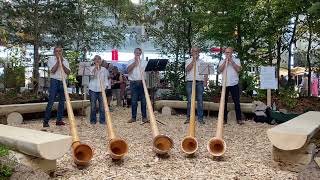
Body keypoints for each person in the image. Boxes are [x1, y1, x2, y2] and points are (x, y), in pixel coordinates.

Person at [43, 46, 71, 128]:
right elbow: (53, 70)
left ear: (62, 52)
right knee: (51, 101)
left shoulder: (65, 60)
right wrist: (58, 62)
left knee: (62, 102)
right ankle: (45, 121)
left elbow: (68, 72)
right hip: (54, 81)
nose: (58, 53)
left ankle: (59, 120)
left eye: (60, 51)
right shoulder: (51, 60)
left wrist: (62, 63)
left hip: (63, 81)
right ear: (54, 52)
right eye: (56, 51)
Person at [218, 47, 244, 125]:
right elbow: (219, 70)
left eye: (228, 52)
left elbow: (239, 70)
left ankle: (239, 119)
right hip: (224, 84)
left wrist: (231, 61)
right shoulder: (222, 61)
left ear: (232, 53)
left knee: (236, 102)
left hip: (234, 84)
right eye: (226, 53)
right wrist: (225, 62)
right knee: (223, 102)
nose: (227, 54)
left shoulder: (237, 60)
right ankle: (224, 119)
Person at [184, 47, 207, 125]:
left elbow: (205, 74)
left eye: (196, 51)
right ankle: (189, 117)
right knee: (190, 100)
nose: (195, 52)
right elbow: (187, 69)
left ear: (199, 52)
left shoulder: (202, 62)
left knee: (200, 101)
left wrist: (205, 82)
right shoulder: (188, 61)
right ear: (191, 52)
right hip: (190, 82)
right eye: (193, 51)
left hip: (199, 82)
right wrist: (193, 61)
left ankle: (200, 118)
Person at [127, 48, 148, 123]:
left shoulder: (145, 62)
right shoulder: (130, 61)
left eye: (139, 53)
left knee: (144, 101)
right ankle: (133, 117)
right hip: (133, 82)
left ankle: (144, 117)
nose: (138, 54)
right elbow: (128, 70)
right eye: (136, 53)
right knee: (134, 101)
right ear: (134, 53)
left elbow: (148, 72)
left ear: (141, 54)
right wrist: (134, 63)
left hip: (142, 82)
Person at [88, 55, 108, 124]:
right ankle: (93, 120)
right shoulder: (90, 68)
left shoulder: (104, 69)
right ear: (94, 61)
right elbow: (91, 76)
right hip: (92, 89)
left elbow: (106, 79)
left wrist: (105, 87)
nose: (97, 60)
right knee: (93, 106)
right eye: (96, 59)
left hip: (101, 89)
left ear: (101, 61)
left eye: (99, 59)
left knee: (102, 106)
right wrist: (96, 68)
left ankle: (102, 120)